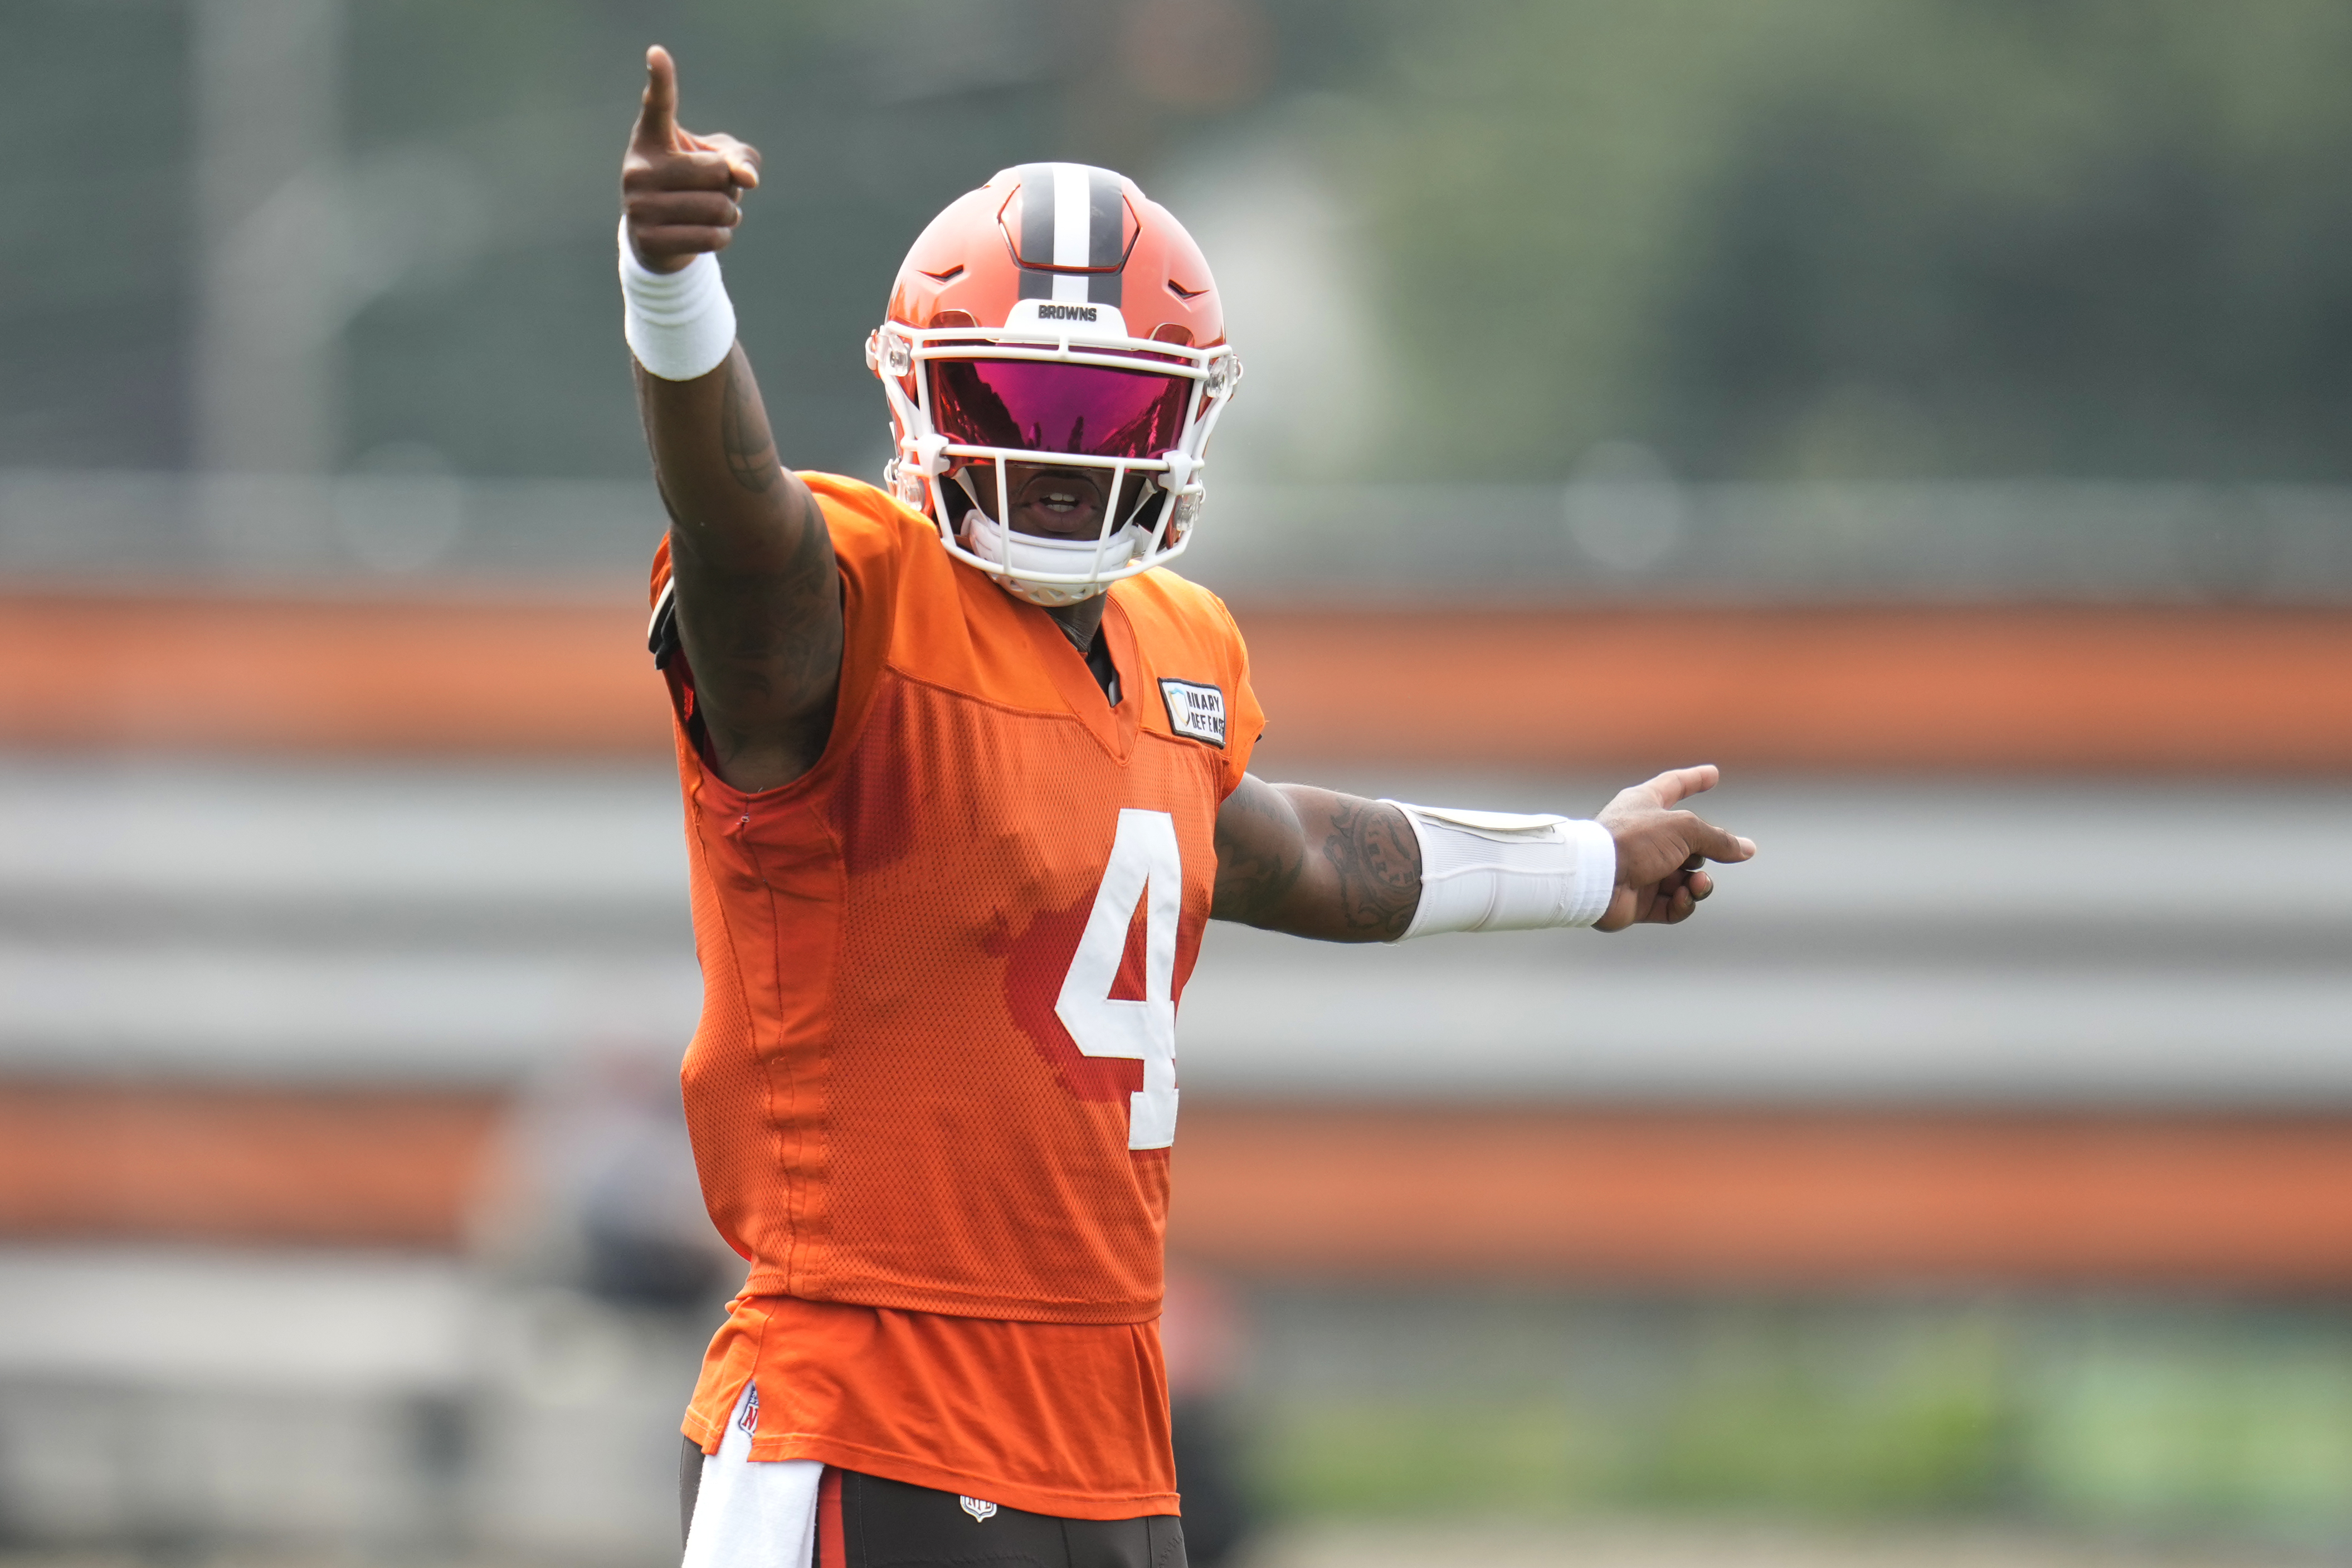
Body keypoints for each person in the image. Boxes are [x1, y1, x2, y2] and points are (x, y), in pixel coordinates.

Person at [619, 44, 1755, 1568]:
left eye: (1109, 417)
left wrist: (1585, 861)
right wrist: (673, 298)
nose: (1061, 461)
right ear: (923, 395)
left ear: (1183, 424)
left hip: (1108, 1421)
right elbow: (737, 530)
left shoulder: (1177, 651)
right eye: (1019, 402)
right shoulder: (844, 612)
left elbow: (1286, 853)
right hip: (865, 1407)